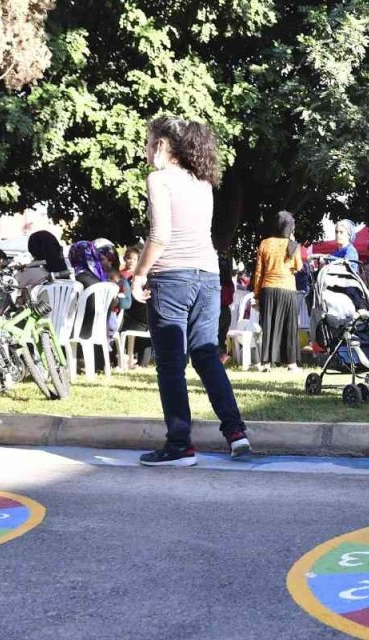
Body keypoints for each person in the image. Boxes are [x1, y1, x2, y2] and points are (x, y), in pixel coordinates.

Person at [133, 116, 250, 467]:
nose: (146, 149)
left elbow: (160, 236)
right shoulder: (203, 182)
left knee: (170, 364)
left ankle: (179, 444)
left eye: (149, 140)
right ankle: (236, 432)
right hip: (208, 277)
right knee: (206, 356)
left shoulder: (159, 179)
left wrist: (139, 274)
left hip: (171, 278)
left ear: (163, 145)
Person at [251, 210, 304, 371]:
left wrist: (257, 295)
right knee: (289, 326)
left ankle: (266, 363)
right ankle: (291, 364)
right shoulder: (292, 245)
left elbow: (259, 272)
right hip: (287, 289)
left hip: (268, 287)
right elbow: (299, 266)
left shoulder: (265, 243)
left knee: (268, 325)